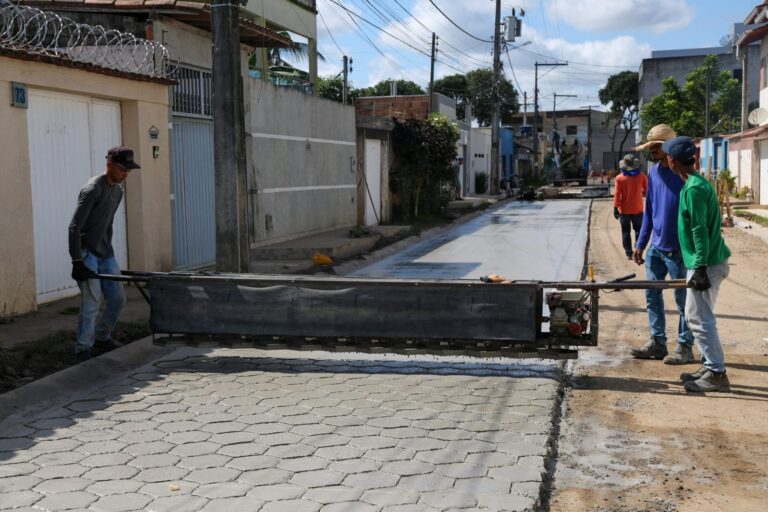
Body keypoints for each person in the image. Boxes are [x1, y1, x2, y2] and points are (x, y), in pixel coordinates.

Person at [662, 136, 732, 392]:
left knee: (699, 318)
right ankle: (709, 365)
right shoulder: (697, 182)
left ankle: (716, 373)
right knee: (698, 316)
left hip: (707, 263)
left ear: (672, 161)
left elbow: (699, 231)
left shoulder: (693, 189)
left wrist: (700, 267)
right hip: (710, 261)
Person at [68, 146, 140, 361]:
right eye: (122, 170)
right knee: (91, 303)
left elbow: (106, 223)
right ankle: (83, 348)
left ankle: (102, 336)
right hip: (86, 252)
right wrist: (77, 260)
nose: (126, 174)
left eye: (129, 170)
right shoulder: (92, 189)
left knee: (117, 300)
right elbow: (74, 227)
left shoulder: (118, 191)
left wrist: (107, 250)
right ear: (109, 165)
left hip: (106, 253)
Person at [631, 124, 695, 364]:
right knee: (652, 296)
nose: (653, 151)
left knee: (683, 301)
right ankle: (658, 343)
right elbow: (649, 210)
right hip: (656, 249)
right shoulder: (654, 173)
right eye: (652, 147)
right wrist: (640, 243)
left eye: (657, 147)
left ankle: (685, 346)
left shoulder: (684, 174)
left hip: (679, 250)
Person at [613, 154, 648, 260]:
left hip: (624, 210)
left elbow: (617, 193)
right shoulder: (642, 176)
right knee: (638, 231)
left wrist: (615, 207)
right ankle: (638, 251)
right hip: (638, 209)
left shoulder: (619, 178)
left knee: (625, 231)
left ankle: (629, 253)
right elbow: (647, 191)